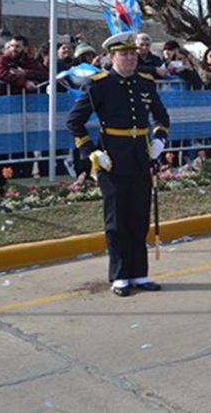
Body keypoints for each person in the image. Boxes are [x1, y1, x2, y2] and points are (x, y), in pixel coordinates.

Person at [66, 30, 170, 296]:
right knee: (116, 220)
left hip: (140, 156)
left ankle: (138, 273)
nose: (130, 58)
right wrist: (91, 152)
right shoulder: (99, 84)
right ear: (112, 57)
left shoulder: (145, 82)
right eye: (124, 54)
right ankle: (119, 275)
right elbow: (74, 122)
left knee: (138, 216)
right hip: (112, 158)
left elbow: (161, 117)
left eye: (133, 53)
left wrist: (159, 141)